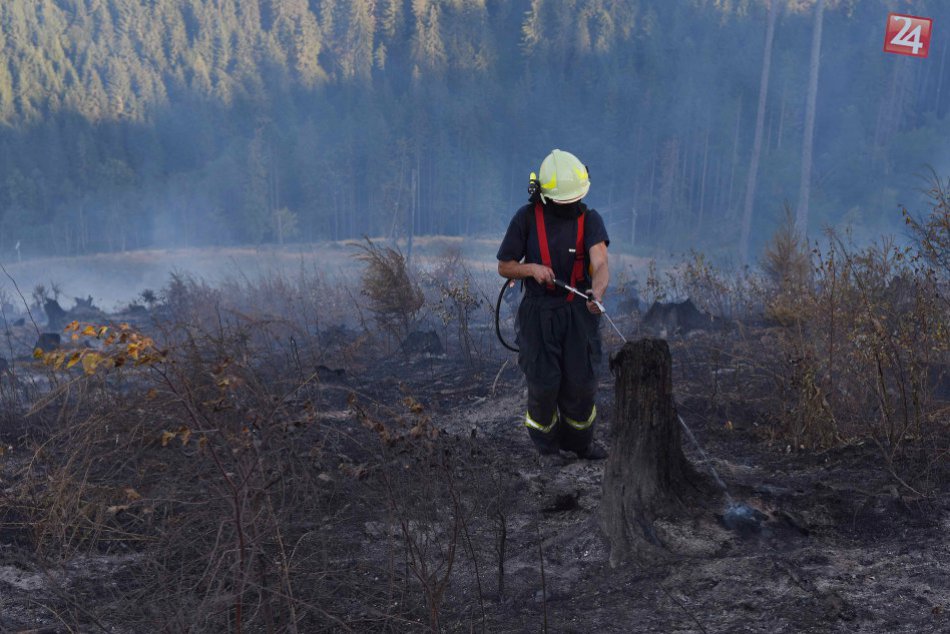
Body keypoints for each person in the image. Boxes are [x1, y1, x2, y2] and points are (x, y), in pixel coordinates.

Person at [496, 149, 610, 460]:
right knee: (544, 384)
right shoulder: (525, 219)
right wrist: (531, 269)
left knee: (581, 383)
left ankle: (580, 444)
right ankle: (547, 448)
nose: (571, 204)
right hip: (539, 314)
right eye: (564, 199)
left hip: (578, 314)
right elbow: (505, 266)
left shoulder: (590, 220)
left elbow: (600, 264)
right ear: (545, 194)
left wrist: (597, 293)